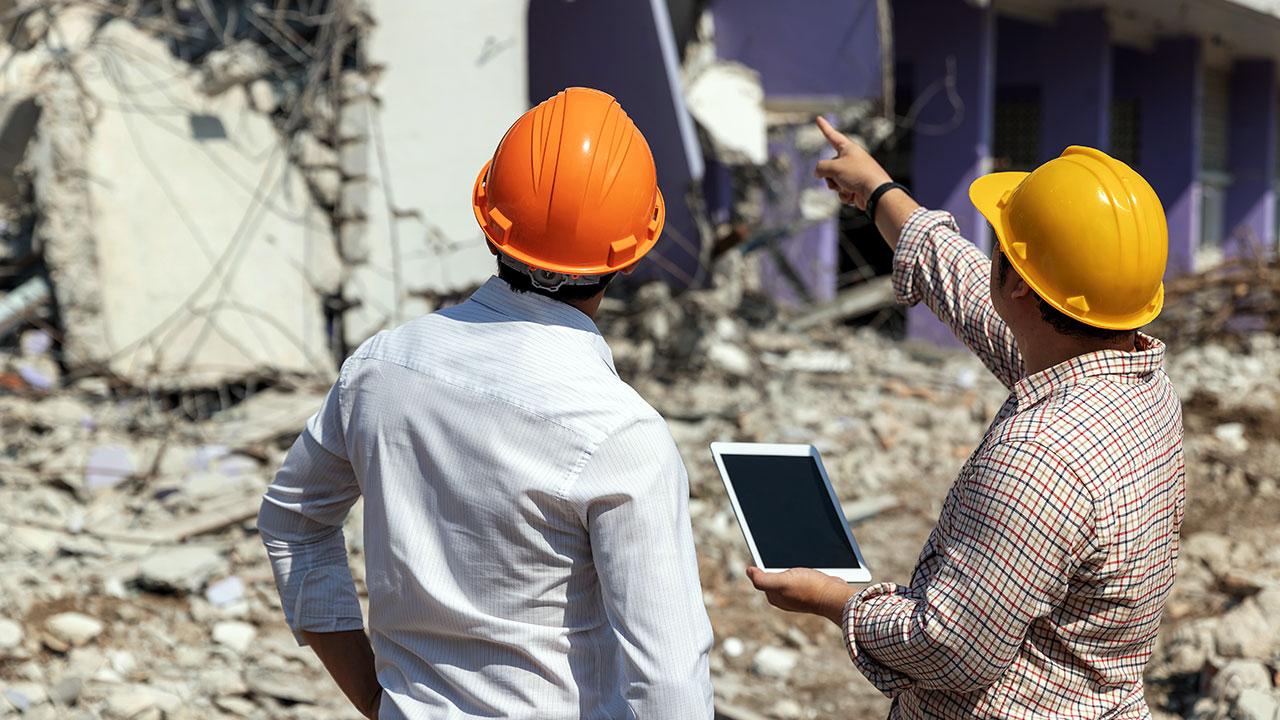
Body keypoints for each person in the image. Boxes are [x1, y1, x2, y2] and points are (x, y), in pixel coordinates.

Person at [258, 87, 714, 720]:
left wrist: (371, 695)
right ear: (633, 253)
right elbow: (669, 688)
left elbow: (293, 521)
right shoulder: (619, 432)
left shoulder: (382, 368)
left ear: (489, 218)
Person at [748, 117, 1185, 719]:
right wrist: (878, 191)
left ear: (1025, 291)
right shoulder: (1137, 381)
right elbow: (972, 294)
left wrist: (834, 600)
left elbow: (948, 646)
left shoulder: (1039, 457)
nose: (990, 259)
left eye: (1000, 249)